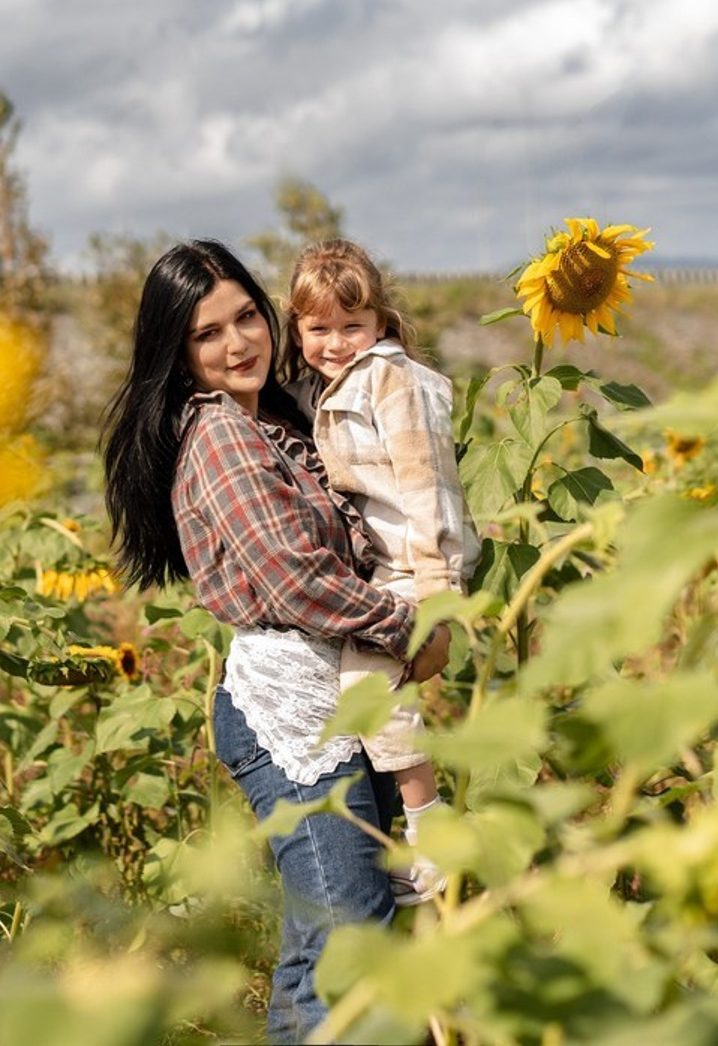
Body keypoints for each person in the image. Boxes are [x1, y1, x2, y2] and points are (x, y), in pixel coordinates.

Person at [100, 239, 450, 1044]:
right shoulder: (220, 434)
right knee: (352, 937)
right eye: (208, 334)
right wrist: (408, 625)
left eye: (247, 317)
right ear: (178, 354)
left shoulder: (275, 420)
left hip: (330, 691)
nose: (238, 343)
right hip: (289, 715)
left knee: (314, 949)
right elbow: (294, 580)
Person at [282, 239, 479, 905]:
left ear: (381, 323)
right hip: (383, 569)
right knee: (366, 705)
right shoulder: (341, 383)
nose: (336, 342)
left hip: (411, 568)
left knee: (369, 696)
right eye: (319, 329)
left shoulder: (392, 380)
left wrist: (436, 598)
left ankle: (433, 833)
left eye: (351, 327)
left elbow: (427, 488)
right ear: (297, 328)